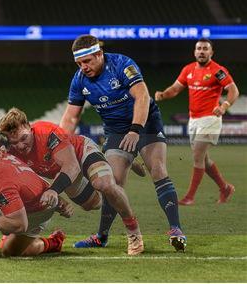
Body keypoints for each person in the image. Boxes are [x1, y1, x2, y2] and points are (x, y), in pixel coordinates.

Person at [59, 34, 186, 251]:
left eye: (87, 61)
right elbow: (71, 117)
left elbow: (143, 97)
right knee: (111, 182)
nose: (83, 67)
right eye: (79, 63)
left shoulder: (122, 64)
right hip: (116, 131)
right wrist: (59, 144)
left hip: (145, 124)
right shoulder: (79, 79)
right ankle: (101, 236)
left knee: (157, 169)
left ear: (99, 54)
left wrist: (135, 130)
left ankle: (176, 229)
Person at [0, 108, 144, 255]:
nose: (21, 146)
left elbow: (72, 165)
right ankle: (113, 162)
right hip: (62, 173)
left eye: (24, 138)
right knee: (93, 204)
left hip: (80, 153)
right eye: (14, 142)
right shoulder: (9, 151)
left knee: (104, 184)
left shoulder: (47, 132)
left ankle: (134, 233)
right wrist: (59, 200)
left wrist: (54, 190)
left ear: (29, 127)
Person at [155, 38, 238, 205]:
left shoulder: (218, 71)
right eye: (199, 48)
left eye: (205, 49)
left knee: (197, 156)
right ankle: (225, 187)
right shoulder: (188, 70)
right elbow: (176, 88)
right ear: (194, 52)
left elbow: (233, 90)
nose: (201, 51)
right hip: (194, 120)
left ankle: (189, 197)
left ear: (211, 52)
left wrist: (224, 105)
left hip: (211, 119)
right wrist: (164, 94)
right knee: (204, 160)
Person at [0, 154, 71, 257]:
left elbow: (20, 225)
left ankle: (54, 242)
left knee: (9, 252)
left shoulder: (1, 187)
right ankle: (5, 222)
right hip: (26, 195)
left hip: (38, 210)